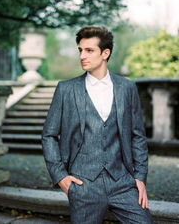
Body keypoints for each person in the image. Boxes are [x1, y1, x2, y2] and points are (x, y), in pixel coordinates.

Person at [42, 26, 153, 224]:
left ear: (105, 53)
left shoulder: (126, 88)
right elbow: (49, 135)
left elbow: (138, 136)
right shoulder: (66, 90)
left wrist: (140, 177)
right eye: (80, 50)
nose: (82, 55)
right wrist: (61, 177)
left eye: (89, 50)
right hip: (83, 185)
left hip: (123, 183)